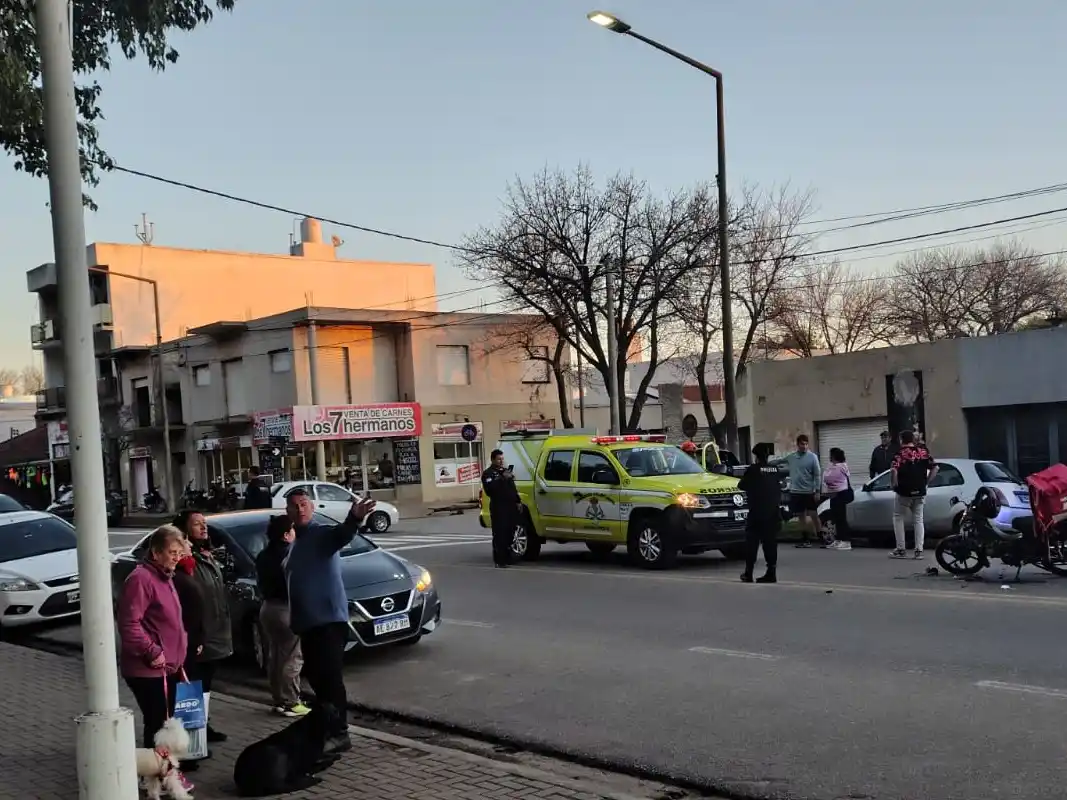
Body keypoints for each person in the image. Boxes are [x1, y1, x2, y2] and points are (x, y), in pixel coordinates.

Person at [284, 488, 376, 755]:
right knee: (318, 681)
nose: (300, 509)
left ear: (312, 507)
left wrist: (354, 518)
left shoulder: (319, 534)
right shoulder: (297, 542)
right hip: (309, 626)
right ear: (287, 512)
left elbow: (341, 535)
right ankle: (326, 726)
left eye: (304, 504)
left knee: (330, 680)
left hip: (328, 623)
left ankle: (339, 733)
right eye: (294, 505)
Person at [117, 524, 194, 794]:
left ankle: (161, 773)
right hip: (147, 668)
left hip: (167, 666)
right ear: (156, 552)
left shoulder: (164, 576)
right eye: (172, 553)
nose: (177, 558)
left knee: (163, 722)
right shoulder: (141, 579)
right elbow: (129, 623)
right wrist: (152, 650)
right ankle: (157, 776)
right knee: (159, 723)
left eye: (179, 553)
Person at [173, 510, 233, 745]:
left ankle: (202, 727)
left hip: (213, 632)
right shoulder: (185, 561)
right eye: (197, 524)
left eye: (204, 523)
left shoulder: (207, 555)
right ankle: (191, 739)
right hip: (197, 634)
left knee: (205, 685)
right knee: (191, 687)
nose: (203, 527)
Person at [256, 514, 310, 717]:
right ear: (286, 535)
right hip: (286, 609)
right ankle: (291, 702)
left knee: (276, 655)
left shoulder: (263, 555)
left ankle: (278, 699)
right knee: (292, 657)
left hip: (267, 608)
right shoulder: (289, 555)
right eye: (293, 529)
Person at [737, 443, 782, 583]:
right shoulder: (775, 470)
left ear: (756, 456)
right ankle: (771, 572)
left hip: (757, 512)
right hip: (773, 512)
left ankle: (748, 572)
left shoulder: (753, 469)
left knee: (752, 542)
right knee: (770, 543)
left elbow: (741, 485)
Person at [890, 430, 938, 559]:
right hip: (920, 490)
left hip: (904, 491)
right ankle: (919, 550)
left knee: (898, 517)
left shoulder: (900, 454)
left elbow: (894, 470)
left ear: (901, 439)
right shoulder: (923, 452)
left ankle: (901, 549)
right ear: (912, 439)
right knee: (918, 520)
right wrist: (926, 482)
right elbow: (935, 468)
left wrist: (894, 484)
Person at [481, 449, 521, 568]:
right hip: (499, 507)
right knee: (500, 533)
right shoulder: (488, 473)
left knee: (510, 532)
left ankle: (508, 557)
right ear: (493, 459)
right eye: (499, 459)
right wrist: (502, 478)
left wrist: (518, 501)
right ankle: (499, 560)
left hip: (510, 506)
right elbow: (490, 490)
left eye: (502, 459)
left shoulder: (505, 471)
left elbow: (512, 488)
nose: (501, 461)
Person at [781, 434, 822, 548]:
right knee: (801, 516)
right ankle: (805, 539)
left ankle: (821, 537)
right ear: (798, 444)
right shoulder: (792, 457)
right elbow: (780, 461)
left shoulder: (812, 457)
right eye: (802, 444)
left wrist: (817, 491)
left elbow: (817, 475)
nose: (804, 446)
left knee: (814, 515)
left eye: (806, 444)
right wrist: (764, 464)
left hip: (809, 492)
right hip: (796, 492)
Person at [823, 448, 854, 551]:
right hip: (834, 494)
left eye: (831, 455)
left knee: (841, 518)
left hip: (841, 494)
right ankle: (839, 539)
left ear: (835, 456)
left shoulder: (841, 466)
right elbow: (826, 476)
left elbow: (829, 477)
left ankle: (846, 541)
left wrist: (828, 473)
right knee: (835, 518)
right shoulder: (833, 466)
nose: (829, 457)